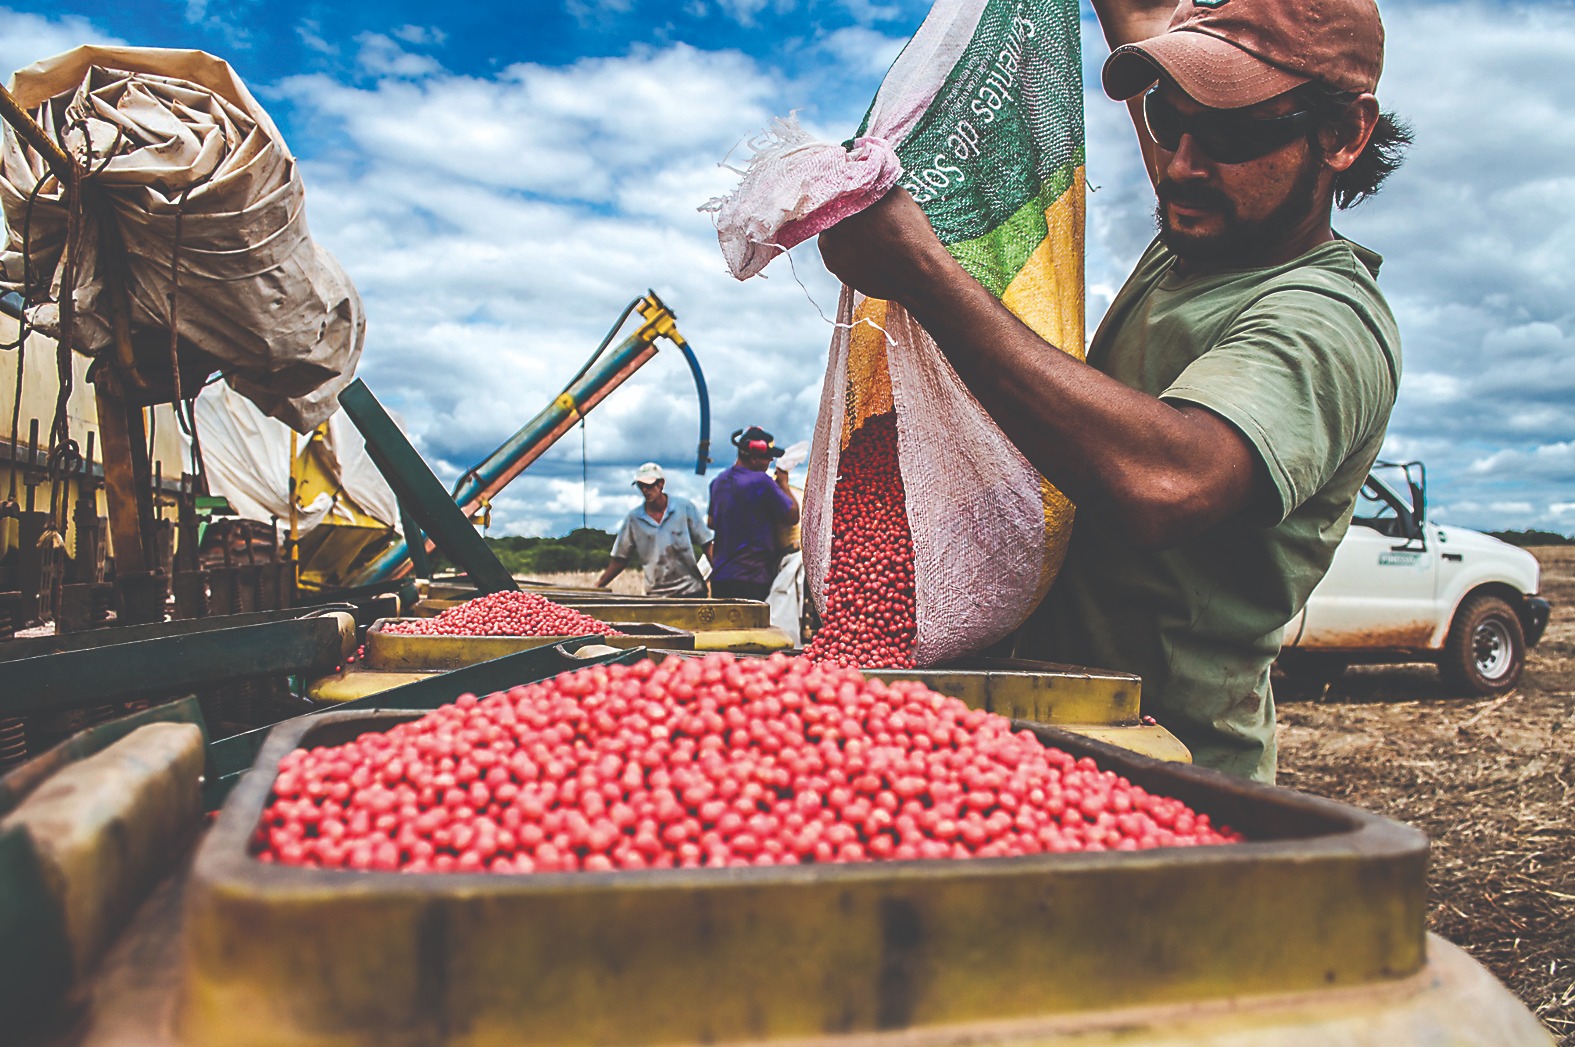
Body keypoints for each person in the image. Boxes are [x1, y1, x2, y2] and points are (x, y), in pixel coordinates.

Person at [817, 0, 1411, 782]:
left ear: (1341, 135)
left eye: (1232, 132)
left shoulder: (1324, 318)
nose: (1182, 165)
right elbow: (1141, 26)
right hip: (1048, 742)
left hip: (1169, 771)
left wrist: (924, 273)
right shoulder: (1207, 223)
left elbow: (1166, 483)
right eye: (1167, 120)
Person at [707, 426, 800, 602]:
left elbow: (712, 522)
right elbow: (793, 515)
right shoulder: (762, 482)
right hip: (752, 578)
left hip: (720, 577)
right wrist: (783, 484)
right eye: (767, 458)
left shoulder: (717, 482)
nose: (770, 461)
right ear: (754, 456)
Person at [595, 462, 712, 598]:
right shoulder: (634, 519)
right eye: (641, 486)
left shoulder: (684, 508)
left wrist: (722, 574)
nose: (645, 490)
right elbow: (620, 559)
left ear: (661, 484)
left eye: (649, 486)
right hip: (657, 594)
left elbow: (707, 544)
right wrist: (600, 585)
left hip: (691, 590)